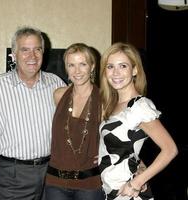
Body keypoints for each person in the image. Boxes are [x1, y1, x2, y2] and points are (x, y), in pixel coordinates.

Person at [0, 26, 66, 200]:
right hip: (14, 174)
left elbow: (72, 125)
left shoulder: (56, 84)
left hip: (51, 171)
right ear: (14, 54)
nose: (32, 56)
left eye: (37, 49)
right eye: (25, 50)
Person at [98, 42, 178, 200]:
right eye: (110, 66)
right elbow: (129, 146)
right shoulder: (113, 104)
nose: (115, 73)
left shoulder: (139, 106)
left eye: (123, 66)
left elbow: (170, 150)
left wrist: (136, 183)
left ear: (134, 70)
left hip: (128, 193)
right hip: (111, 190)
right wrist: (107, 152)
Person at [45, 43, 105, 200]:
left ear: (92, 67)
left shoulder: (104, 101)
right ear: (66, 68)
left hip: (89, 185)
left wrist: (107, 152)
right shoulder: (59, 95)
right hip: (55, 182)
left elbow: (119, 136)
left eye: (82, 64)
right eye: (71, 65)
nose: (77, 71)